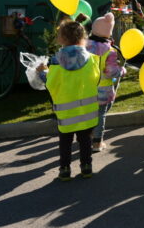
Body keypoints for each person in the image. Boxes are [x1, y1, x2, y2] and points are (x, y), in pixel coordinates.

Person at [38, 21, 101, 181]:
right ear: (82, 37)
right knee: (85, 140)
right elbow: (96, 79)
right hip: (87, 112)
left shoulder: (56, 61)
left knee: (65, 142)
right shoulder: (92, 59)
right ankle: (87, 167)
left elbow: (51, 84)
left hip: (66, 113)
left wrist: (42, 73)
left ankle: (65, 170)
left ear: (62, 39)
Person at [86, 13, 126, 152]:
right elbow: (111, 72)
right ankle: (97, 142)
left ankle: (90, 133)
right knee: (101, 113)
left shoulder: (85, 46)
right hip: (103, 89)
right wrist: (122, 71)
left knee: (92, 113)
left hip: (87, 87)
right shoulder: (109, 51)